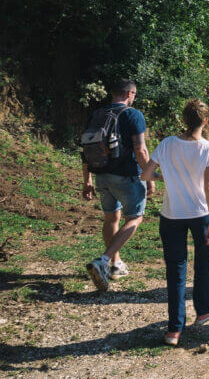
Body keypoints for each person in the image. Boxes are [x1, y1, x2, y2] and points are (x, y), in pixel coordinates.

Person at [140, 99, 209, 347]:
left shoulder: (166, 144)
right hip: (200, 213)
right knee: (203, 260)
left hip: (171, 214)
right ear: (204, 121)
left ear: (184, 120)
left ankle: (174, 330)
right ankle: (204, 310)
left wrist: (164, 176)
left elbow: (145, 174)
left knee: (175, 269)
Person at [82, 79, 154, 292]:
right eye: (134, 95)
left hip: (102, 175)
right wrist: (149, 177)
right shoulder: (133, 115)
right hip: (127, 176)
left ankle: (115, 264)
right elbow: (140, 150)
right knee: (135, 218)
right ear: (130, 94)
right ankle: (103, 261)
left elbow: (86, 150)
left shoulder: (97, 114)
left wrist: (87, 180)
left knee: (111, 218)